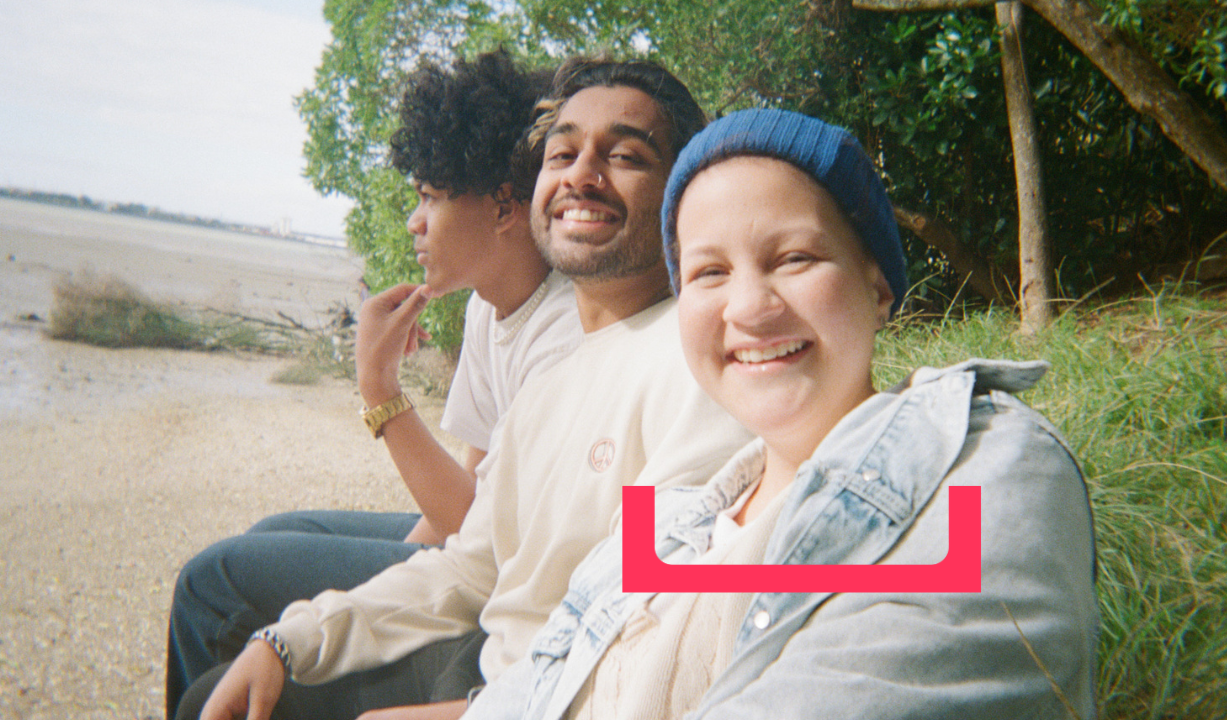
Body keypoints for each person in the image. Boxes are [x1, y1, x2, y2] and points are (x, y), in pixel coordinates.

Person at [464, 108, 1099, 720]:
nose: (748, 306)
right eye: (708, 272)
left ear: (878, 288)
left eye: (794, 258)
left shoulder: (989, 461)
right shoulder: (659, 530)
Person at [178, 57, 753, 720]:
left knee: (212, 624)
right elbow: (473, 562)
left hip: (523, 692)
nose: (582, 176)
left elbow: (649, 639)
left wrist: (469, 713)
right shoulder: (554, 383)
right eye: (562, 153)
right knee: (234, 672)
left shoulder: (693, 368)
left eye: (624, 155)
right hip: (500, 668)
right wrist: (291, 641)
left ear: (683, 197)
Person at [165, 50, 583, 718]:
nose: (414, 223)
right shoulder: (489, 306)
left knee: (211, 580)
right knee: (276, 530)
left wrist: (380, 392)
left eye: (428, 197)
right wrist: (388, 574)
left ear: (505, 207)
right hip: (476, 541)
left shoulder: (566, 331)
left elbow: (480, 532)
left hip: (507, 574)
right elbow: (465, 495)